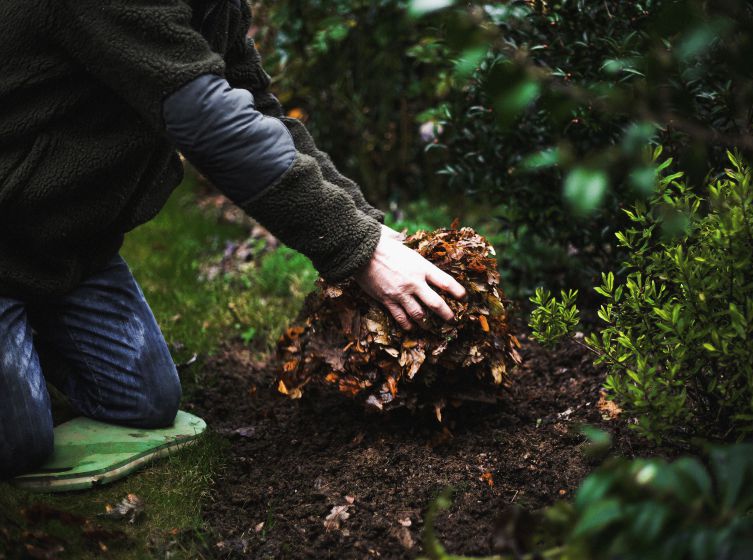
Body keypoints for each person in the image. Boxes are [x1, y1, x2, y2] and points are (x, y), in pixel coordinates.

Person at [0, 0, 466, 479]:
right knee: (19, 444)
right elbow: (209, 121)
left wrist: (365, 225)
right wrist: (358, 250)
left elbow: (255, 107)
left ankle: (27, 334)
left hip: (69, 241)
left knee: (144, 402)